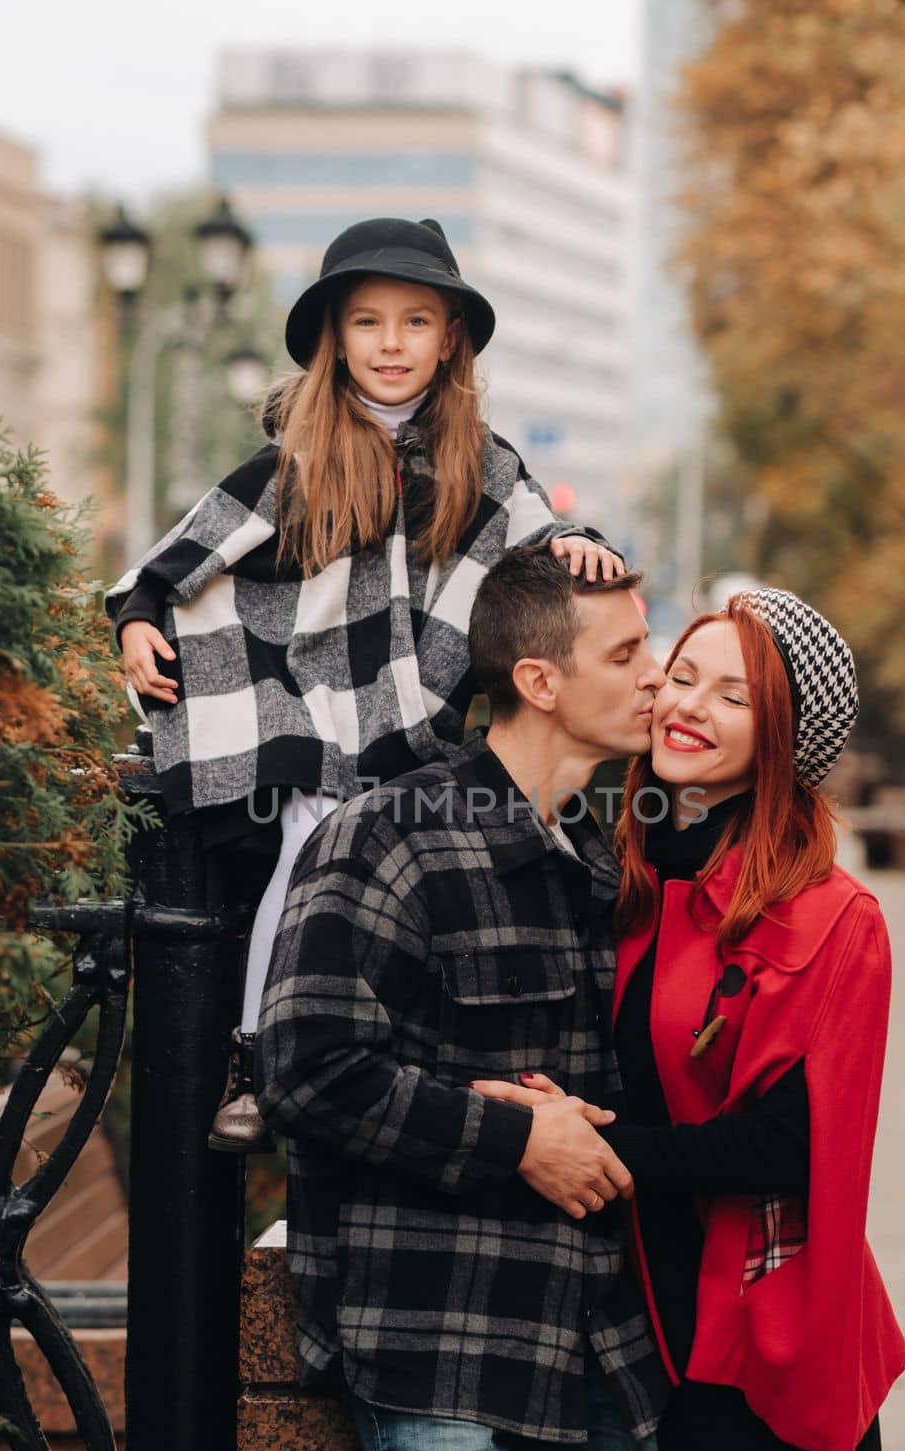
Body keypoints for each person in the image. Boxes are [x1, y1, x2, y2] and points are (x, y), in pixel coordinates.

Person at [105, 215, 621, 1152]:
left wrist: (581, 547)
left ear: (449, 339)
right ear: (334, 340)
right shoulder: (297, 456)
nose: (391, 344)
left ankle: (417, 1063)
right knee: (316, 833)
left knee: (427, 868)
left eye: (415, 322)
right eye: (368, 323)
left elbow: (543, 535)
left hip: (418, 711)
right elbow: (189, 552)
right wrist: (139, 614)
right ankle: (263, 1054)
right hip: (312, 702)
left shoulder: (484, 463)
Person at [473, 587, 905, 1451]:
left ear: (781, 740)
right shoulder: (606, 878)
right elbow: (518, 682)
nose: (690, 706)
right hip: (625, 1349)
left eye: (733, 695)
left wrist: (594, 1146)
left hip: (763, 1349)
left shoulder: (828, 918)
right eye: (681, 677)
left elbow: (786, 1139)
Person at [255, 546, 669, 1451]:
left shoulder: (602, 861)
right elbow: (309, 1070)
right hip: (432, 1330)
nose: (654, 673)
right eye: (624, 653)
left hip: (590, 1336)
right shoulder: (388, 839)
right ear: (538, 680)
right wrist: (517, 1137)